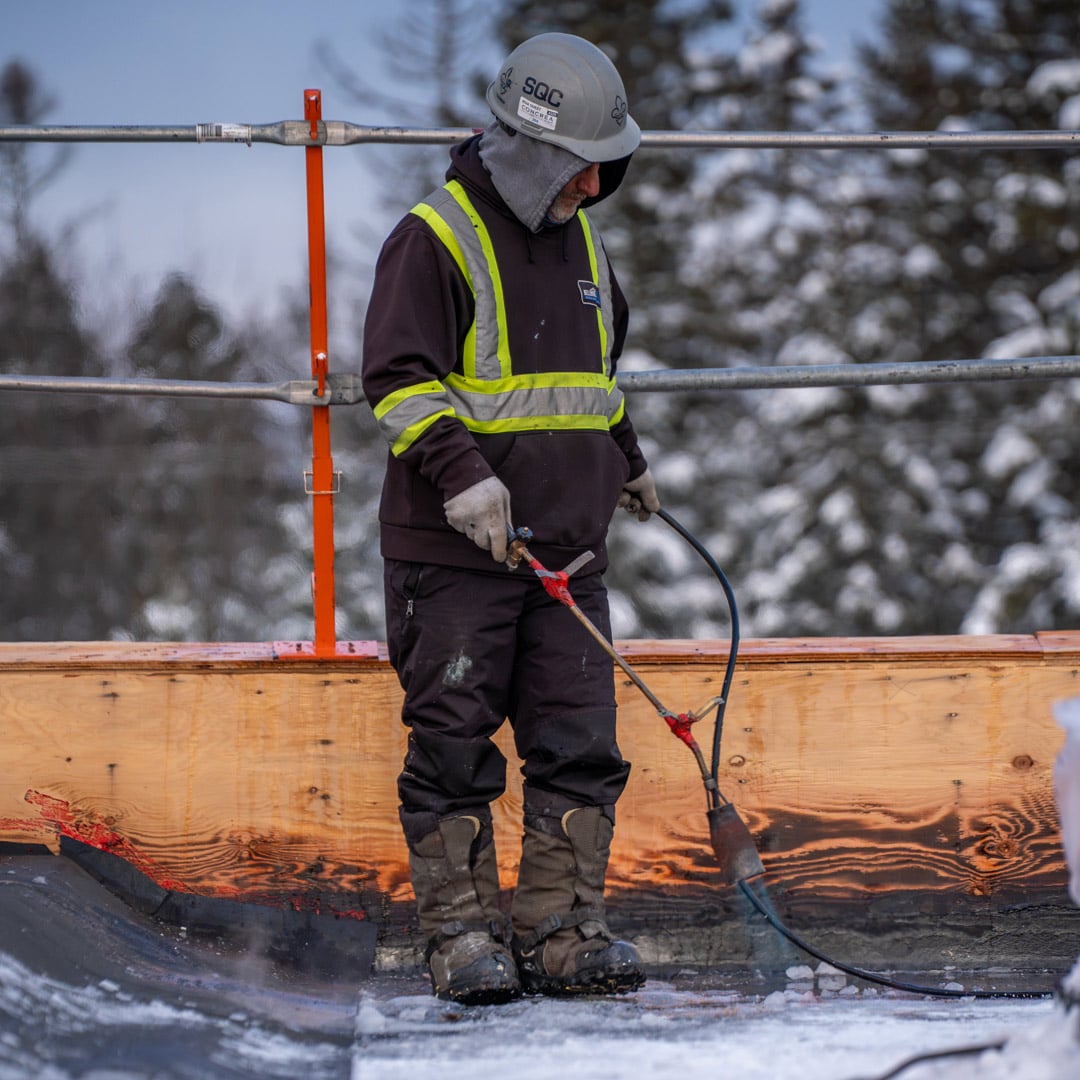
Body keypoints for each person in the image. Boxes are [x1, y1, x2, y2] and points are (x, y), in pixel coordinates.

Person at [361, 31, 660, 1005]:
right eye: (582, 167)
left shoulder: (584, 243)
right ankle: (460, 938)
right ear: (535, 148)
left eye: (602, 172)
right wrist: (461, 477)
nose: (591, 187)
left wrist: (626, 459)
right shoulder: (433, 240)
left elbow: (592, 378)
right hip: (458, 558)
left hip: (568, 557)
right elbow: (397, 381)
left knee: (580, 744)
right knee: (452, 746)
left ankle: (562, 935)